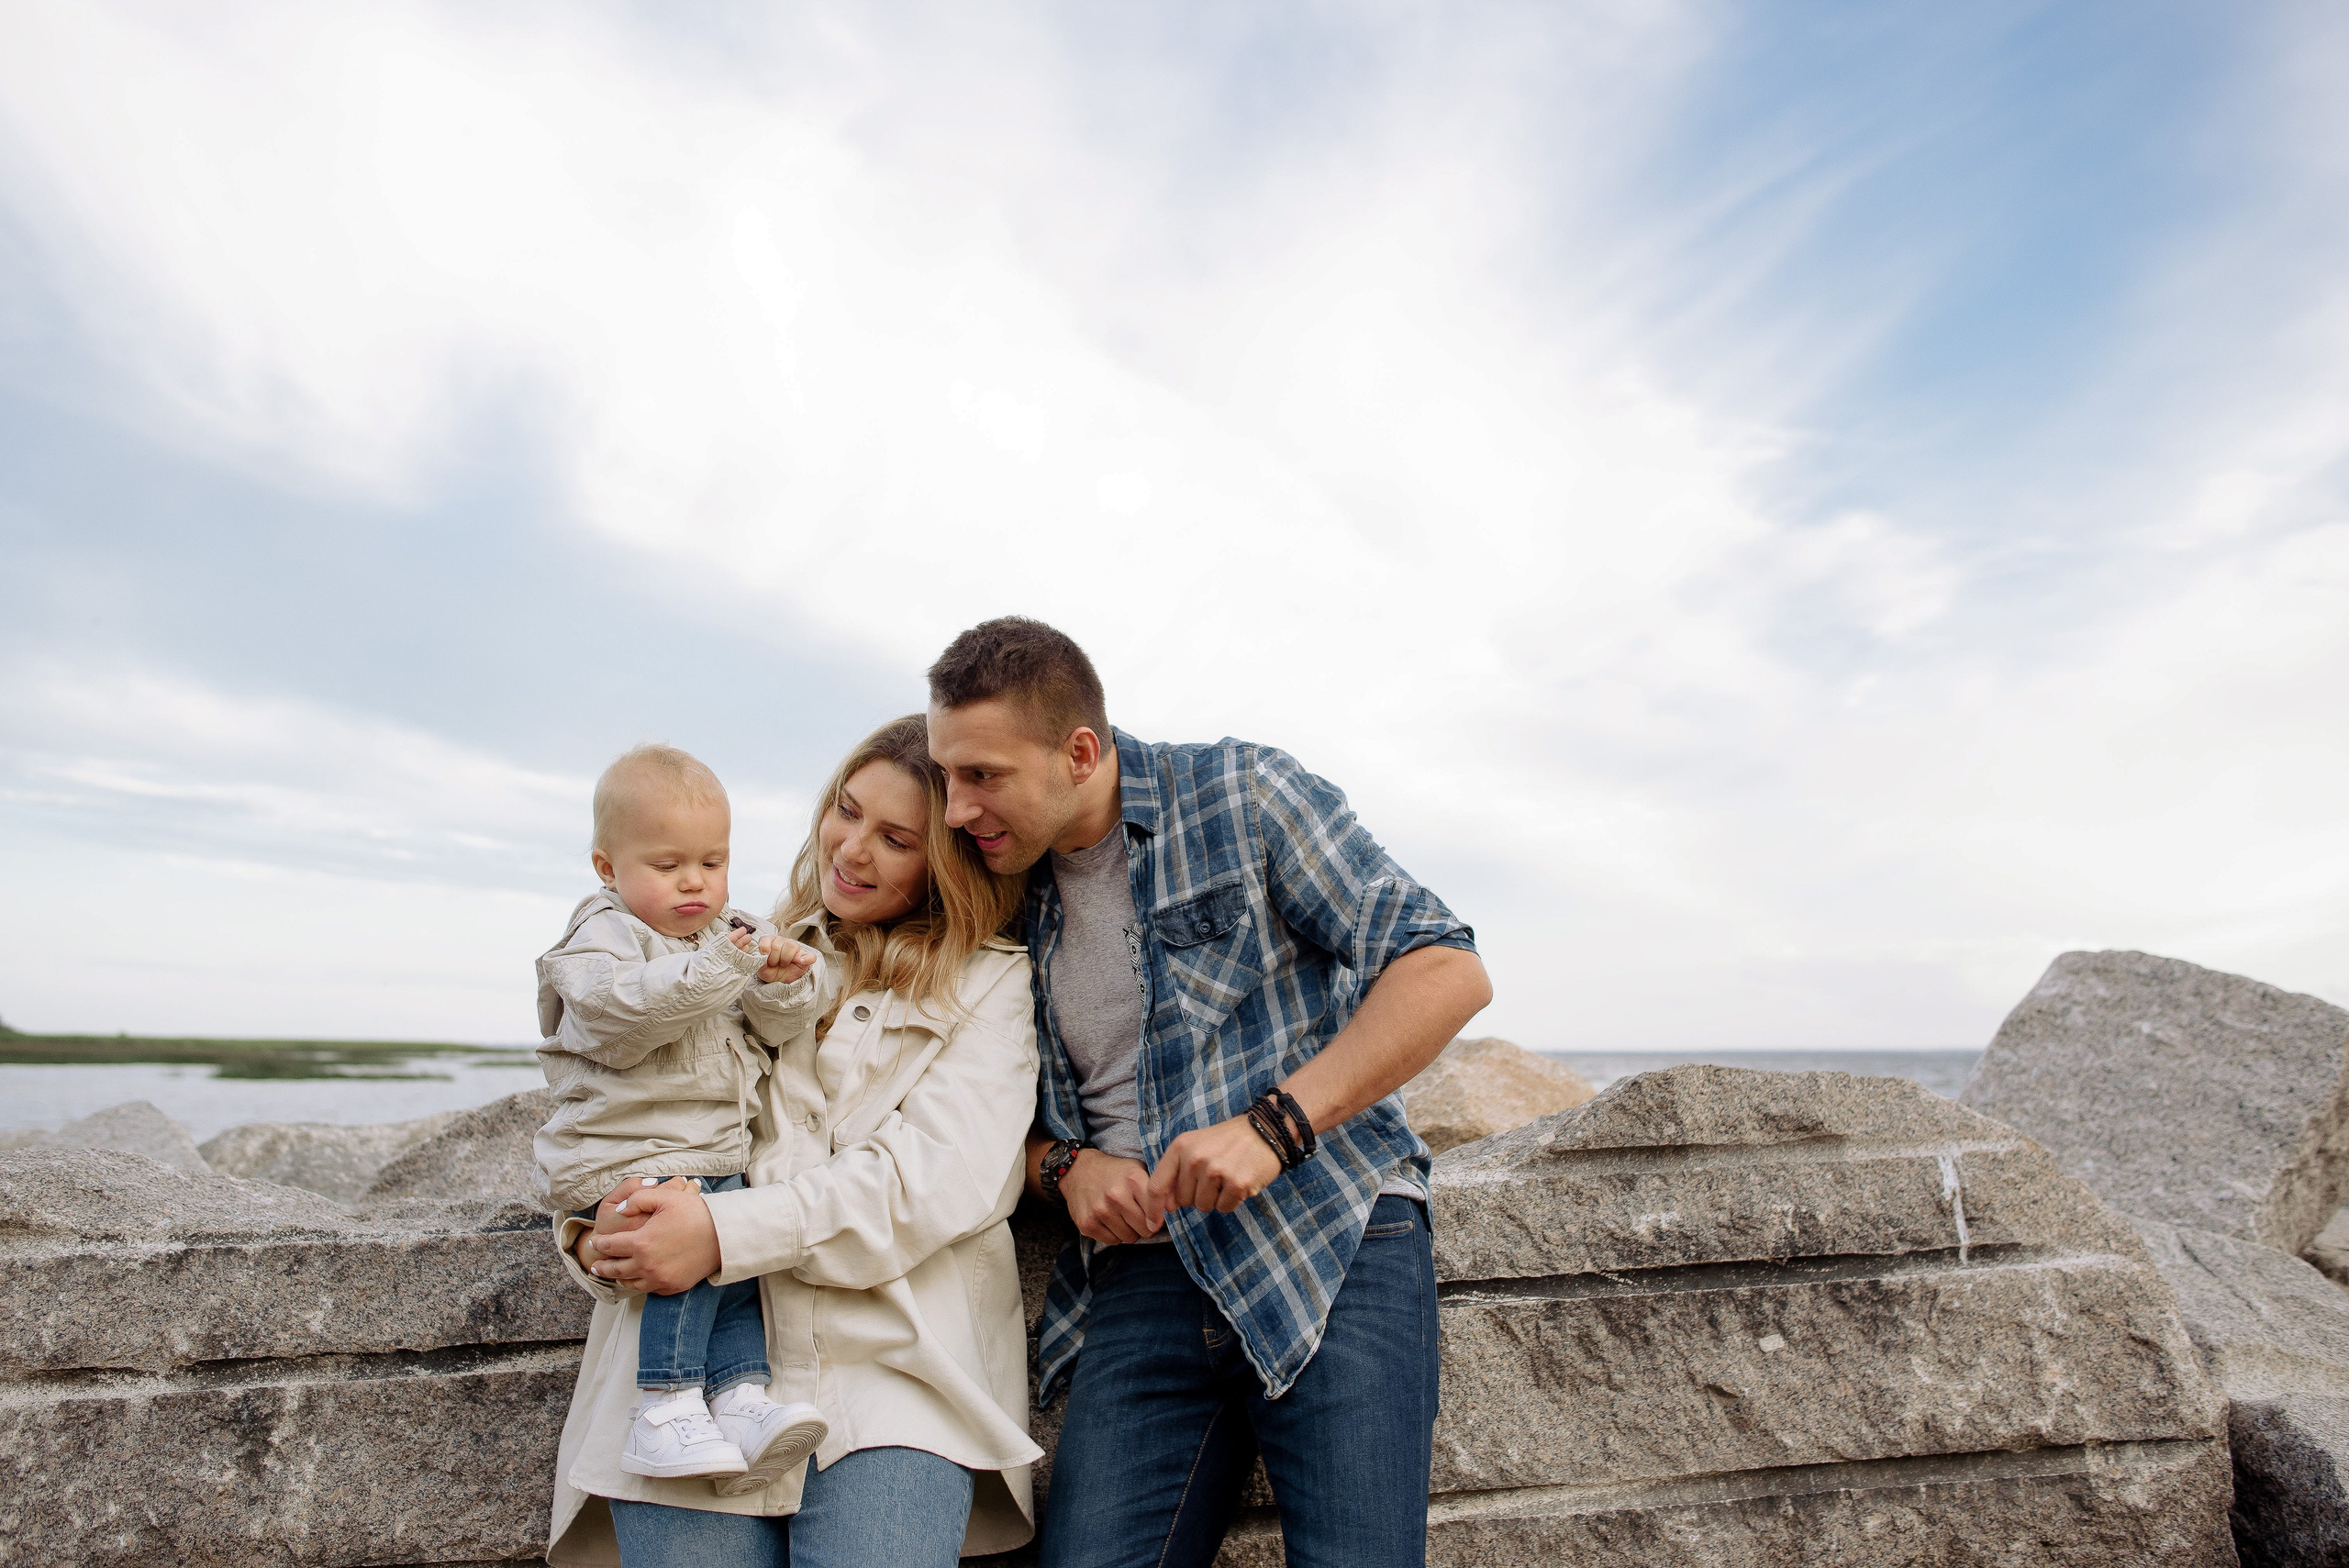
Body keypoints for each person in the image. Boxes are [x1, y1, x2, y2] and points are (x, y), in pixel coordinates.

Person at [926, 617, 1493, 1568]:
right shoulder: (995, 889)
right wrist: (1061, 1165)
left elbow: (1443, 966)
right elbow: (964, 1111)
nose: (955, 807)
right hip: (1142, 1275)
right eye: (946, 775)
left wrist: (1276, 1124)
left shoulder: (1242, 792)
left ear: (1078, 750)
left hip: (1331, 1230)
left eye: (981, 774)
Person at [543, 717, 1044, 1568]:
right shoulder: (727, 949)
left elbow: (927, 1185)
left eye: (895, 838)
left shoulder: (992, 980)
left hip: (898, 1373)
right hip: (684, 1376)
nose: (850, 849)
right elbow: (612, 1110)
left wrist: (716, 1232)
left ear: (948, 862)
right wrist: (598, 1237)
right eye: (845, 811)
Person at [534, 742, 832, 1490]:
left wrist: (780, 982)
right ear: (608, 867)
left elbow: (767, 1030)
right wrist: (727, 964)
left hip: (702, 1146)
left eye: (713, 860)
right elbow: (621, 1014)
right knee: (683, 1247)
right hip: (627, 1150)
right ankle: (663, 1405)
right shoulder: (601, 935)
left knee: (725, 1261)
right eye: (668, 866)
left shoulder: (723, 930)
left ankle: (736, 1393)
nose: (695, 881)